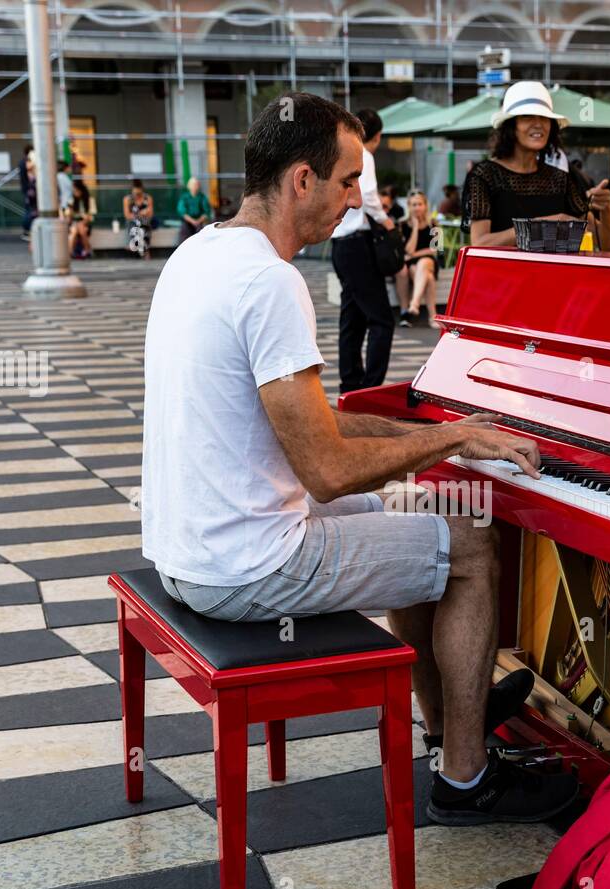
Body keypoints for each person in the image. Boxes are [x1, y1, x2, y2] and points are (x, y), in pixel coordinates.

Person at [141, 91, 578, 824]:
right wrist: (456, 436)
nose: (355, 200)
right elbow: (328, 471)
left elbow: (308, 425)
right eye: (348, 181)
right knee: (473, 544)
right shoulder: (271, 282)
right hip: (246, 567)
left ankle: (448, 725)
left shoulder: (198, 255)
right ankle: (467, 779)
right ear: (301, 180)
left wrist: (419, 425)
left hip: (187, 549)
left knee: (416, 511)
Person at [463, 81, 610, 252]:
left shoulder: (560, 179)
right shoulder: (485, 175)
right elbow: (479, 243)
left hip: (553, 277)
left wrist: (606, 208)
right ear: (511, 126)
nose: (538, 124)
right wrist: (542, 227)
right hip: (504, 277)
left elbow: (606, 246)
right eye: (527, 116)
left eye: (544, 118)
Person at [330, 107, 395, 394]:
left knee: (353, 318)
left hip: (341, 245)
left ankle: (351, 383)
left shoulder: (338, 153)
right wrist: (386, 221)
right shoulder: (363, 154)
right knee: (382, 320)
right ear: (377, 136)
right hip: (358, 244)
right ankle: (371, 387)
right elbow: (368, 195)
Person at [396, 189, 440, 329]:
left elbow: (435, 250)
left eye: (419, 204)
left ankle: (414, 304)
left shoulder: (434, 223)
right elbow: (407, 250)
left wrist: (414, 255)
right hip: (412, 265)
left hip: (429, 261)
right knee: (429, 278)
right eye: (413, 205)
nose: (417, 207)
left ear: (425, 205)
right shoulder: (402, 224)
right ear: (409, 206)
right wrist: (415, 227)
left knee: (424, 262)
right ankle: (432, 317)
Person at [123, 178, 154, 259]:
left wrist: (145, 213)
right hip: (133, 222)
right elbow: (127, 215)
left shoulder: (148, 198)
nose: (137, 195)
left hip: (145, 221)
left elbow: (150, 214)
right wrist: (139, 214)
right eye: (135, 193)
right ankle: (146, 251)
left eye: (139, 193)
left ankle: (135, 244)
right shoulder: (127, 199)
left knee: (143, 224)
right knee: (137, 224)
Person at [177, 176, 211, 243]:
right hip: (187, 222)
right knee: (184, 234)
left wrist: (198, 221)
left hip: (200, 222)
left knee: (202, 235)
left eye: (196, 184)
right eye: (193, 184)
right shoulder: (184, 197)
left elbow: (206, 212)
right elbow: (182, 212)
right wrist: (192, 221)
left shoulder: (202, 197)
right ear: (189, 186)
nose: (195, 186)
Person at [67, 178, 94, 259]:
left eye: (76, 190)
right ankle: (87, 250)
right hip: (74, 223)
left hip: (86, 223)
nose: (74, 192)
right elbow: (69, 217)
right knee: (76, 230)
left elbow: (90, 217)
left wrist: (83, 220)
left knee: (81, 229)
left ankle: (70, 253)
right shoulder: (71, 200)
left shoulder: (89, 201)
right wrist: (70, 210)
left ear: (81, 190)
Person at [19, 145, 37, 240]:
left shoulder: (23, 162)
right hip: (30, 190)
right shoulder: (27, 163)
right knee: (30, 211)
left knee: (29, 210)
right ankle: (27, 230)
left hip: (27, 189)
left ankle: (28, 231)